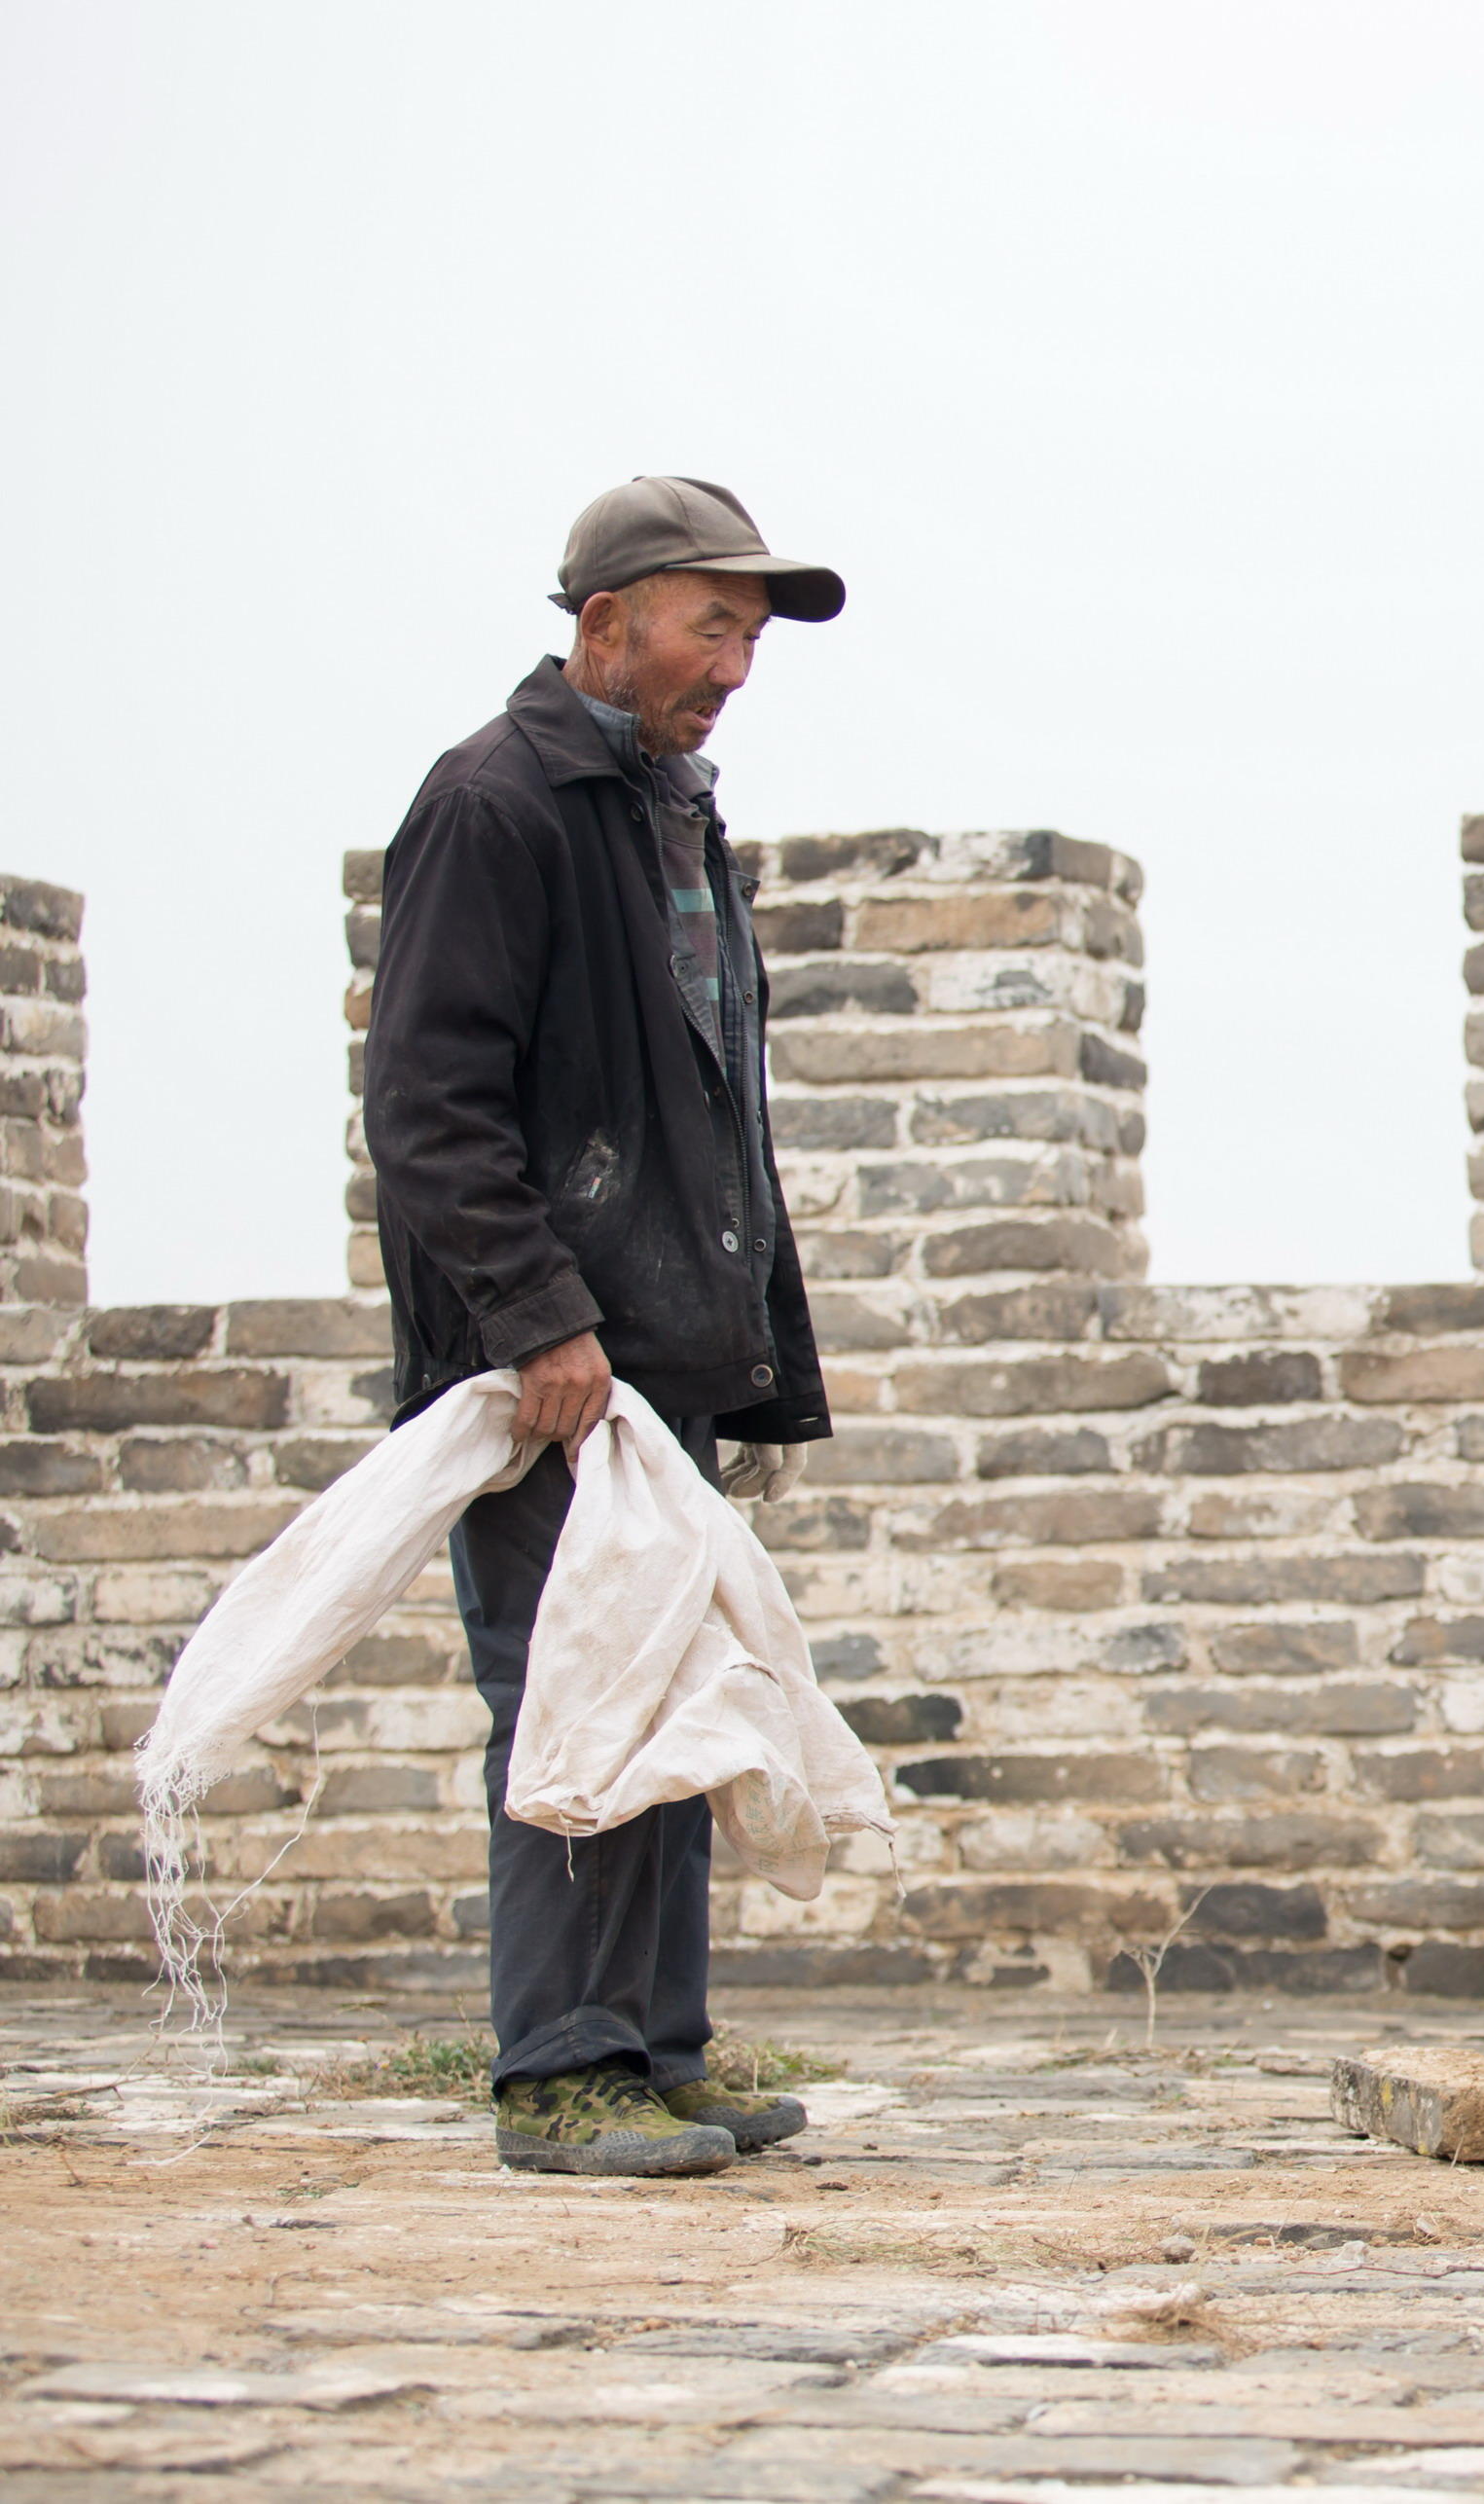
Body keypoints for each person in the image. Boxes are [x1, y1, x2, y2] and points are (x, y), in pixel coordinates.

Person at [363, 477, 844, 2177]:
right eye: (711, 623)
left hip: (658, 1356)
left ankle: (657, 2048)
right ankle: (559, 2070)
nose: (733, 662)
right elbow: (428, 1104)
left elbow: (708, 1109)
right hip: (547, 1363)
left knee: (677, 1693)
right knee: (573, 1697)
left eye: (749, 636)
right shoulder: (498, 804)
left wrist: (742, 1353)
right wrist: (538, 1316)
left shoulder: (667, 812)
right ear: (601, 623)